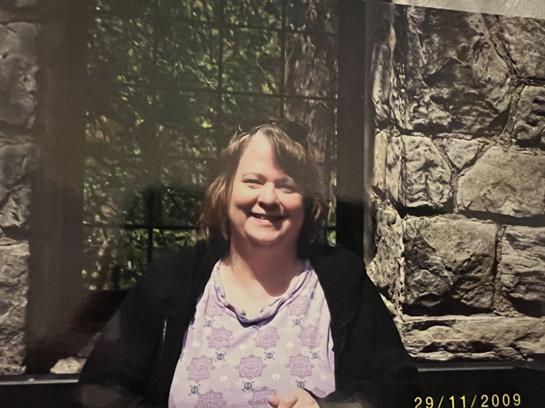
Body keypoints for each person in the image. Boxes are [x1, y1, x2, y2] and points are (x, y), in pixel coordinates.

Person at [75, 123, 415, 408]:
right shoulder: (171, 277)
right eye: (253, 181)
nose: (268, 198)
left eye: (286, 186)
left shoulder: (342, 278)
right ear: (224, 191)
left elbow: (398, 389)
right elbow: (98, 392)